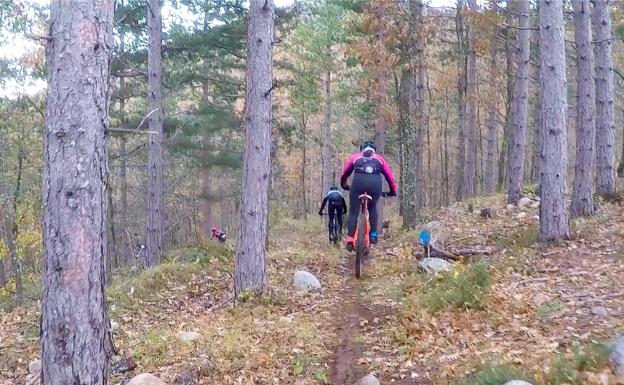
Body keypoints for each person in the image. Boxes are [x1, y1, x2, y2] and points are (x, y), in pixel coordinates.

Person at [340, 140, 397, 251]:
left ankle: (350, 239)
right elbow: (389, 176)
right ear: (374, 150)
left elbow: (345, 173)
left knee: (353, 212)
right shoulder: (379, 159)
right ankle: (373, 235)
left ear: (361, 149)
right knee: (372, 208)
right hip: (375, 185)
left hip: (358, 183)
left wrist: (344, 185)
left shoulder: (356, 157)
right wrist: (392, 191)